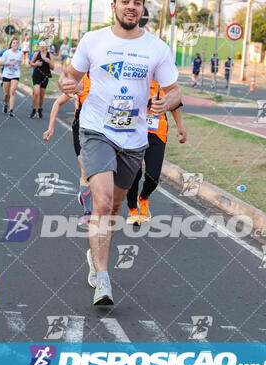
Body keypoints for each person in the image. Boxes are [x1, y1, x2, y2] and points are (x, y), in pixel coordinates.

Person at [58, 0, 181, 306]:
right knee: (100, 203)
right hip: (96, 130)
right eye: (125, 2)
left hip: (134, 138)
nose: (131, 7)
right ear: (113, 5)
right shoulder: (93, 40)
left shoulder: (157, 47)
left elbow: (175, 90)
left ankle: (95, 255)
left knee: (113, 208)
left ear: (142, 9)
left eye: (137, 3)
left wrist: (167, 103)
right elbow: (70, 76)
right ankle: (102, 279)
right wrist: (66, 83)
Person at [126, 80, 187, 225]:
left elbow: (175, 104)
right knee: (134, 172)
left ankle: (143, 197)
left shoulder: (165, 81)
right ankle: (132, 208)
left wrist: (180, 127)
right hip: (134, 130)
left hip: (157, 133)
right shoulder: (135, 77)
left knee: (153, 175)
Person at [43, 74, 93, 226]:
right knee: (86, 171)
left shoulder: (105, 81)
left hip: (102, 130)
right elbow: (57, 103)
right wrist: (50, 128)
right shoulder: (79, 85)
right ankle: (88, 211)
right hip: (81, 128)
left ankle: (90, 197)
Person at [29, 41, 55, 118]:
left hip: (45, 76)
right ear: (39, 47)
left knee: (42, 95)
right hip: (36, 75)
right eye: (41, 46)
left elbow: (52, 68)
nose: (42, 47)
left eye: (44, 45)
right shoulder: (36, 54)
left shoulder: (50, 55)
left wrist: (48, 61)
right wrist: (35, 64)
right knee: (36, 92)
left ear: (47, 47)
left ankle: (40, 109)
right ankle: (34, 110)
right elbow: (30, 63)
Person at [0, 38, 23, 117]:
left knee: (12, 91)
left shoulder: (20, 53)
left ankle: (11, 110)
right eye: (14, 43)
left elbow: (20, 62)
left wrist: (20, 64)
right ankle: (6, 104)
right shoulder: (7, 52)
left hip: (15, 74)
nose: (15, 44)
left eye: (17, 43)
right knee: (6, 94)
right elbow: (0, 63)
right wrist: (9, 63)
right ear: (11, 44)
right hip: (6, 74)